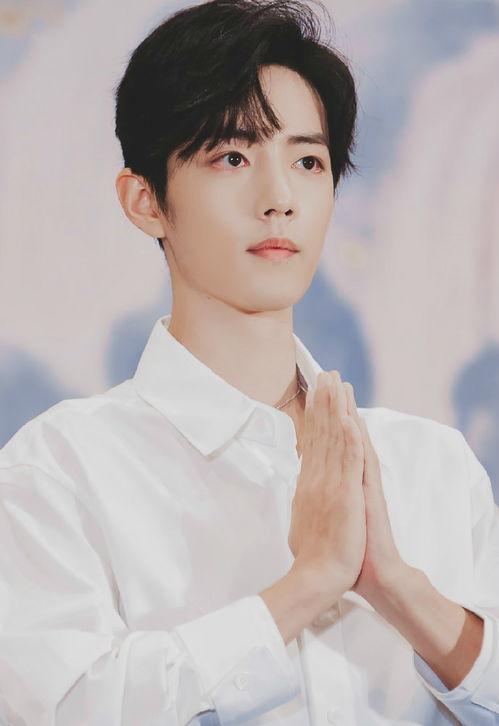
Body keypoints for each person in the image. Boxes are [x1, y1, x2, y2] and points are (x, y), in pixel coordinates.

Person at [0, 0, 498, 724]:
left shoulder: (431, 462)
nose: (279, 199)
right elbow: (61, 708)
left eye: (307, 161)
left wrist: (393, 583)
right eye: (232, 158)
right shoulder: (59, 469)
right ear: (145, 201)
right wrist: (309, 583)